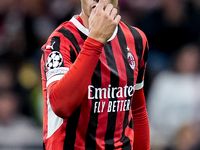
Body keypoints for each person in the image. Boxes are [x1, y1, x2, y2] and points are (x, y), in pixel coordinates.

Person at [40, 0, 150, 149]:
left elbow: (137, 110)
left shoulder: (136, 39)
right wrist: (95, 40)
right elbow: (61, 106)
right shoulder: (61, 41)